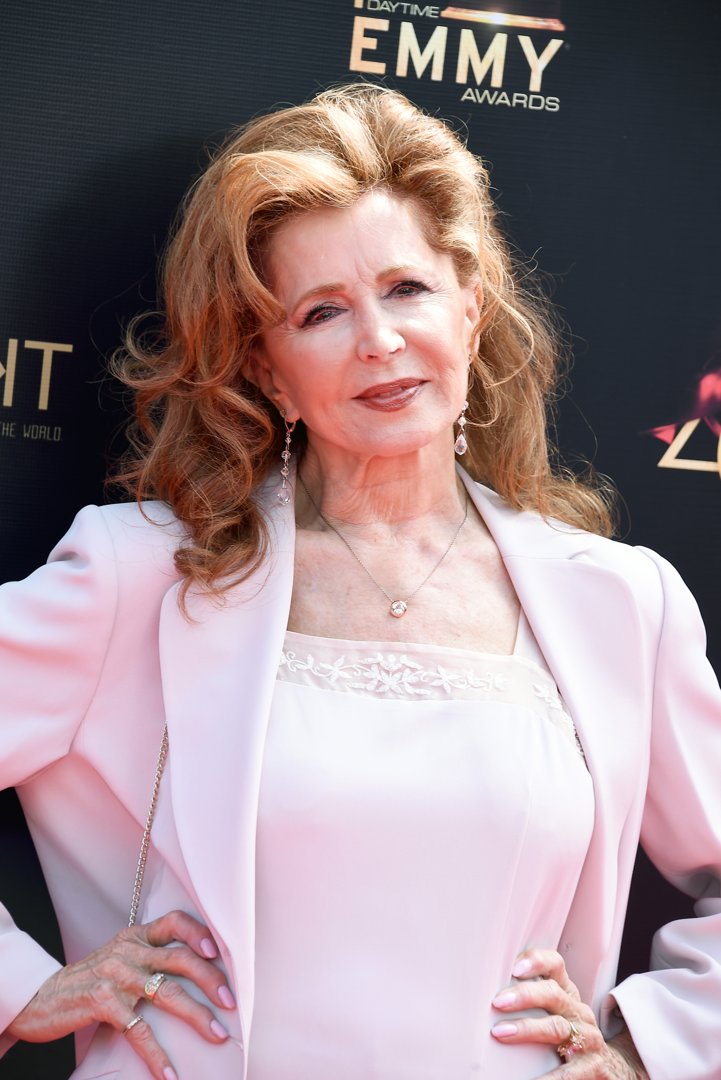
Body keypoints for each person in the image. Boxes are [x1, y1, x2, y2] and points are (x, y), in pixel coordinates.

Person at [1, 82, 720, 1080]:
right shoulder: (137, 575)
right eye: (322, 311)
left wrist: (646, 1051)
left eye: (407, 289)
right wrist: (19, 985)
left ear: (470, 308)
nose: (378, 339)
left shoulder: (619, 604)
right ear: (267, 369)